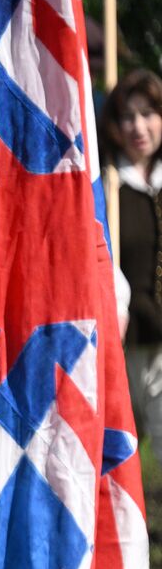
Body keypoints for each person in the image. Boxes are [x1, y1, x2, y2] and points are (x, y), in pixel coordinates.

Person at [102, 69, 162, 453]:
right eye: (128, 116)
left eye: (147, 113)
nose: (138, 126)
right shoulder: (107, 186)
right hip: (122, 344)